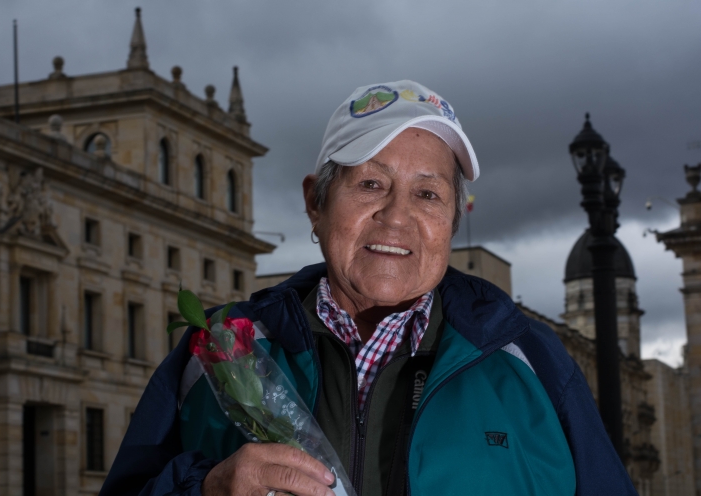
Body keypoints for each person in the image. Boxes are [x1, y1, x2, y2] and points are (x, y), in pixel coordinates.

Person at [100, 80, 637, 496]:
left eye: (428, 195)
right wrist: (205, 489)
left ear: (453, 220)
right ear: (316, 203)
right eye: (371, 184)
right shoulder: (218, 351)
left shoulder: (531, 363)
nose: (396, 217)